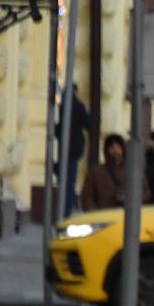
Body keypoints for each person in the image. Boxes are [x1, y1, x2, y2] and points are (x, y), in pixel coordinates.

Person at [56, 85, 91, 216]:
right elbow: (89, 124)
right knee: (69, 182)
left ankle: (62, 211)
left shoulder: (61, 106)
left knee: (63, 180)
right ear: (75, 92)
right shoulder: (78, 106)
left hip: (61, 148)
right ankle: (66, 212)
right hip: (73, 149)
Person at [79, 134, 127, 213]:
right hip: (103, 217)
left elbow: (145, 193)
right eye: (112, 147)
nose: (115, 151)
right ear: (106, 150)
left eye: (118, 147)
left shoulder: (132, 173)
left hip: (126, 218)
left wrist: (129, 199)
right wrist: (95, 215)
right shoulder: (96, 172)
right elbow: (87, 196)